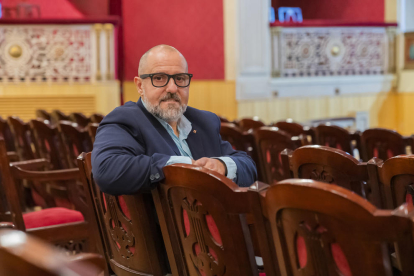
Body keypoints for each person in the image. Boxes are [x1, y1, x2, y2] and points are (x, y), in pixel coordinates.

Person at [92, 45, 257, 195]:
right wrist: (181, 167)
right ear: (140, 86)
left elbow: (248, 166)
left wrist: (222, 166)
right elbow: (107, 171)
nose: (172, 88)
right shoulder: (125, 120)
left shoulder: (204, 121)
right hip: (166, 226)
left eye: (180, 78)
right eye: (159, 78)